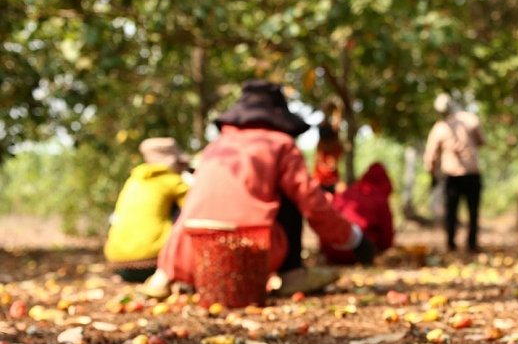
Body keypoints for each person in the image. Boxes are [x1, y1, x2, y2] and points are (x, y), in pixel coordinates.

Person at [143, 80, 375, 298]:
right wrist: (354, 238)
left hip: (190, 258)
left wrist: (166, 267)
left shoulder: (215, 147)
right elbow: (312, 202)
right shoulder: (281, 145)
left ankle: (163, 278)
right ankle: (293, 274)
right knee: (293, 192)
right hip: (250, 256)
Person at [104, 138, 191, 282]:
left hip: (117, 264)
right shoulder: (172, 180)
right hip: (152, 265)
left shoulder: (134, 180)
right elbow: (194, 209)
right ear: (174, 162)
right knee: (184, 212)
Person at [423, 94, 486, 253]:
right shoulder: (470, 120)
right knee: (472, 211)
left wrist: (433, 176)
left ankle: (451, 244)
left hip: (452, 176)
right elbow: (482, 141)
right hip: (471, 173)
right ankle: (471, 244)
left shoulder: (440, 128)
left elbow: (431, 157)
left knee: (451, 212)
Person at [320, 162, 395, 264]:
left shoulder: (346, 193)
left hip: (330, 250)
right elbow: (386, 238)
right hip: (358, 250)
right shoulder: (380, 200)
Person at [313, 116, 343, 194]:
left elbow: (336, 126)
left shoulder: (336, 147)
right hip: (319, 183)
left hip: (333, 183)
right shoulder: (321, 146)